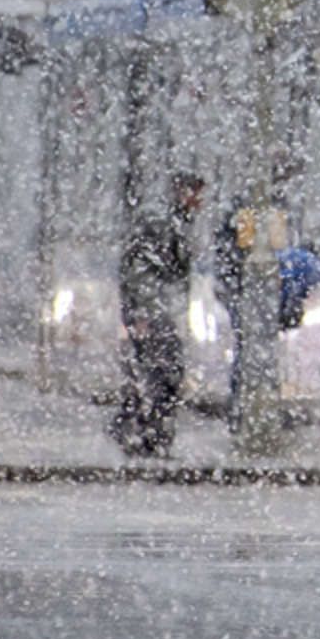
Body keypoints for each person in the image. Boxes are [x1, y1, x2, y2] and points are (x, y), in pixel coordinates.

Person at [113, 173, 204, 457]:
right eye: (195, 193)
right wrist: (146, 313)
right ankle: (143, 430)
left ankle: (148, 432)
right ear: (181, 191)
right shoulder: (161, 222)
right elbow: (140, 270)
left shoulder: (175, 221)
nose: (199, 202)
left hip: (158, 310)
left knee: (159, 372)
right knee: (162, 372)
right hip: (153, 313)